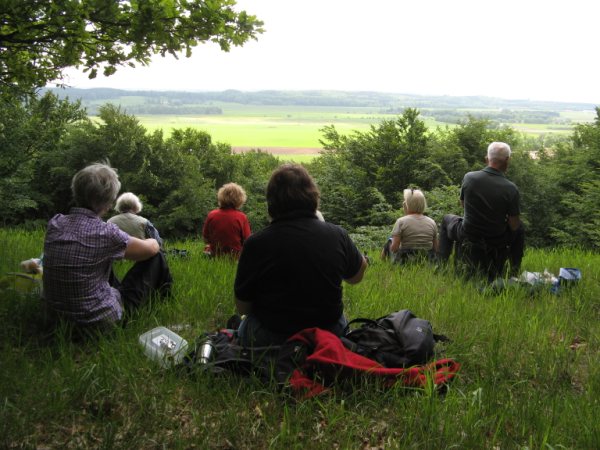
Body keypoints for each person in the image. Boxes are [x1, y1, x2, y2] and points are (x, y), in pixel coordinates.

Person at [234, 164, 368, 347]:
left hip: (272, 337)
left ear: (271, 201)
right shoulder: (337, 234)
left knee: (244, 325)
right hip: (329, 334)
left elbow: (243, 307)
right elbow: (356, 277)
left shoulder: (256, 243)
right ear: (313, 196)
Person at [42, 162, 173, 332]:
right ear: (109, 202)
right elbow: (150, 250)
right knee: (157, 256)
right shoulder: (106, 233)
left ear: (75, 191)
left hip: (56, 319)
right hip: (97, 322)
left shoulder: (55, 223)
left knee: (100, 261)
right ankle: (165, 299)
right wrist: (154, 242)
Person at [438, 142, 525, 278]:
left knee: (446, 219)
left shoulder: (470, 177)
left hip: (468, 233)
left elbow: (463, 204)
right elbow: (514, 225)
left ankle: (440, 266)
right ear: (508, 160)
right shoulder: (511, 188)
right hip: (497, 239)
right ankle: (514, 271)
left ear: (487, 159)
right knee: (520, 228)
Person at [384, 188, 438, 264]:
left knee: (390, 240)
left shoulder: (401, 221)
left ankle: (382, 261)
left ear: (407, 205)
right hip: (427, 260)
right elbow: (436, 248)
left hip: (406, 261)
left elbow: (394, 249)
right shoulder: (432, 222)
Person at [202, 182, 251, 258]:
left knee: (207, 248)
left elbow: (206, 238)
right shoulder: (242, 217)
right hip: (235, 258)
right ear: (240, 199)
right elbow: (247, 241)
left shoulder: (212, 215)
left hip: (215, 257)